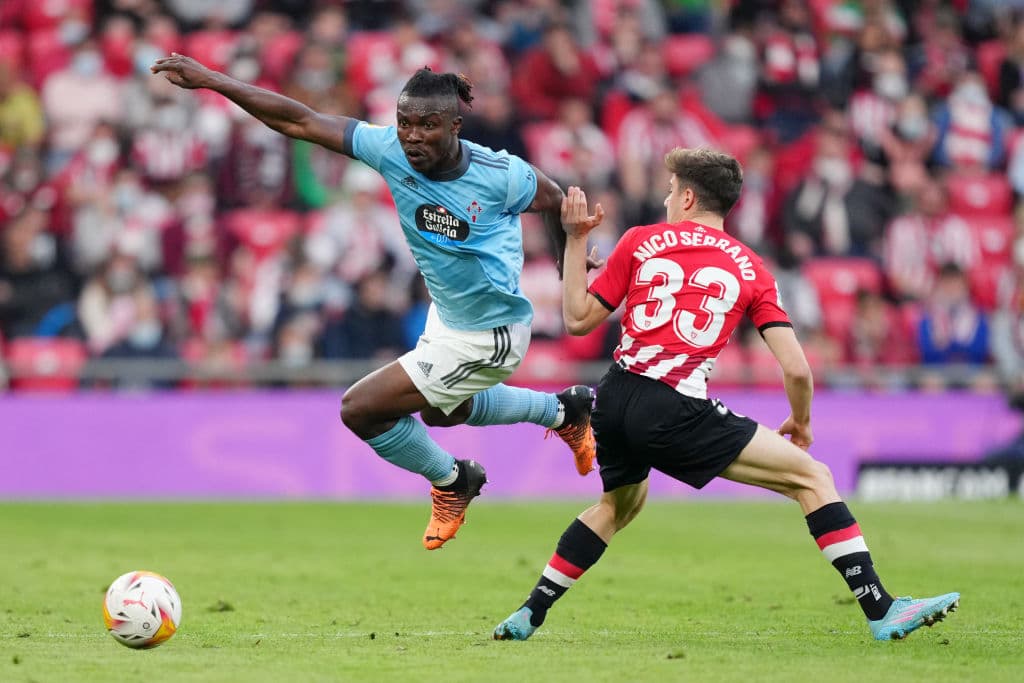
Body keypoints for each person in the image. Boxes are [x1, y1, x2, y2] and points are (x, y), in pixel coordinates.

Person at [493, 148, 960, 642]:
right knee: (813, 478)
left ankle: (530, 612)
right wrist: (800, 422)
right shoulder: (752, 268)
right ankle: (881, 608)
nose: (668, 199)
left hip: (613, 396)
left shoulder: (640, 240)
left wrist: (575, 240)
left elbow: (577, 319)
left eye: (672, 191)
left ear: (689, 196)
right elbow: (798, 370)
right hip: (674, 404)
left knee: (618, 506)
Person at [151, 54, 599, 550]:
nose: (412, 136)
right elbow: (297, 119)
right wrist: (214, 80)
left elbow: (559, 200)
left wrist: (568, 268)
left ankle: (455, 481)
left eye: (427, 126)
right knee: (442, 413)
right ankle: (564, 410)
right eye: (404, 123)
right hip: (448, 318)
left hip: (490, 334)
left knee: (361, 409)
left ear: (454, 125)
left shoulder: (500, 174)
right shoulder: (387, 149)